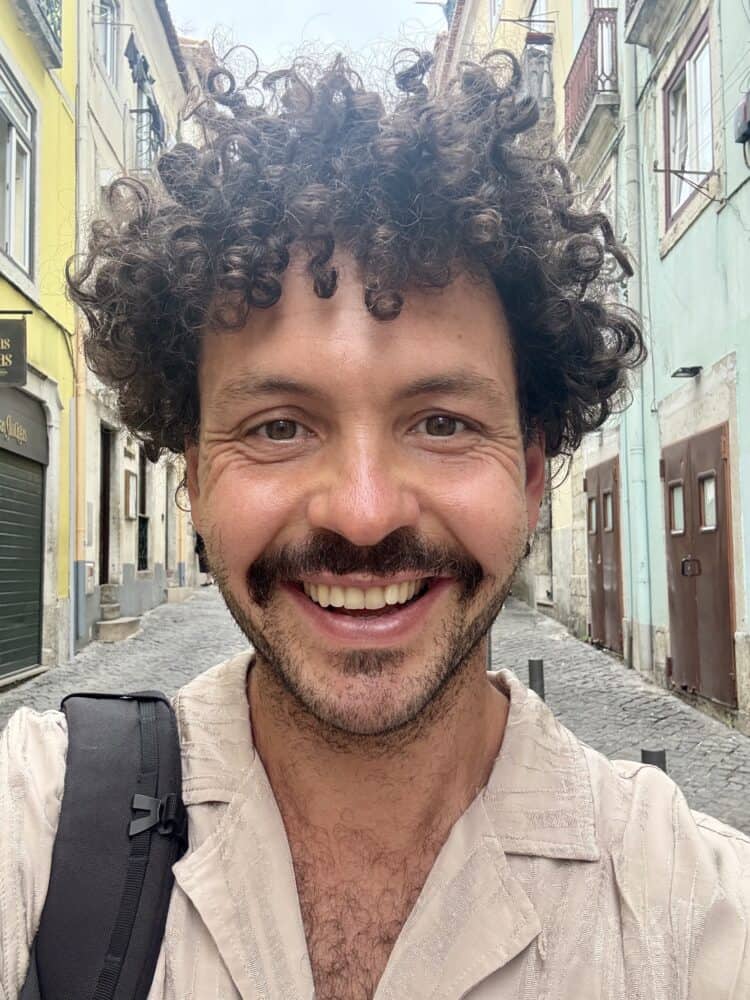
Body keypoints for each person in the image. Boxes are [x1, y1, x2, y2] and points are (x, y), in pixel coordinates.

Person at [2, 50, 748, 999]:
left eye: (442, 423)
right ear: (194, 476)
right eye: (279, 427)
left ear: (529, 476)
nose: (361, 513)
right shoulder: (38, 830)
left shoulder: (691, 911)